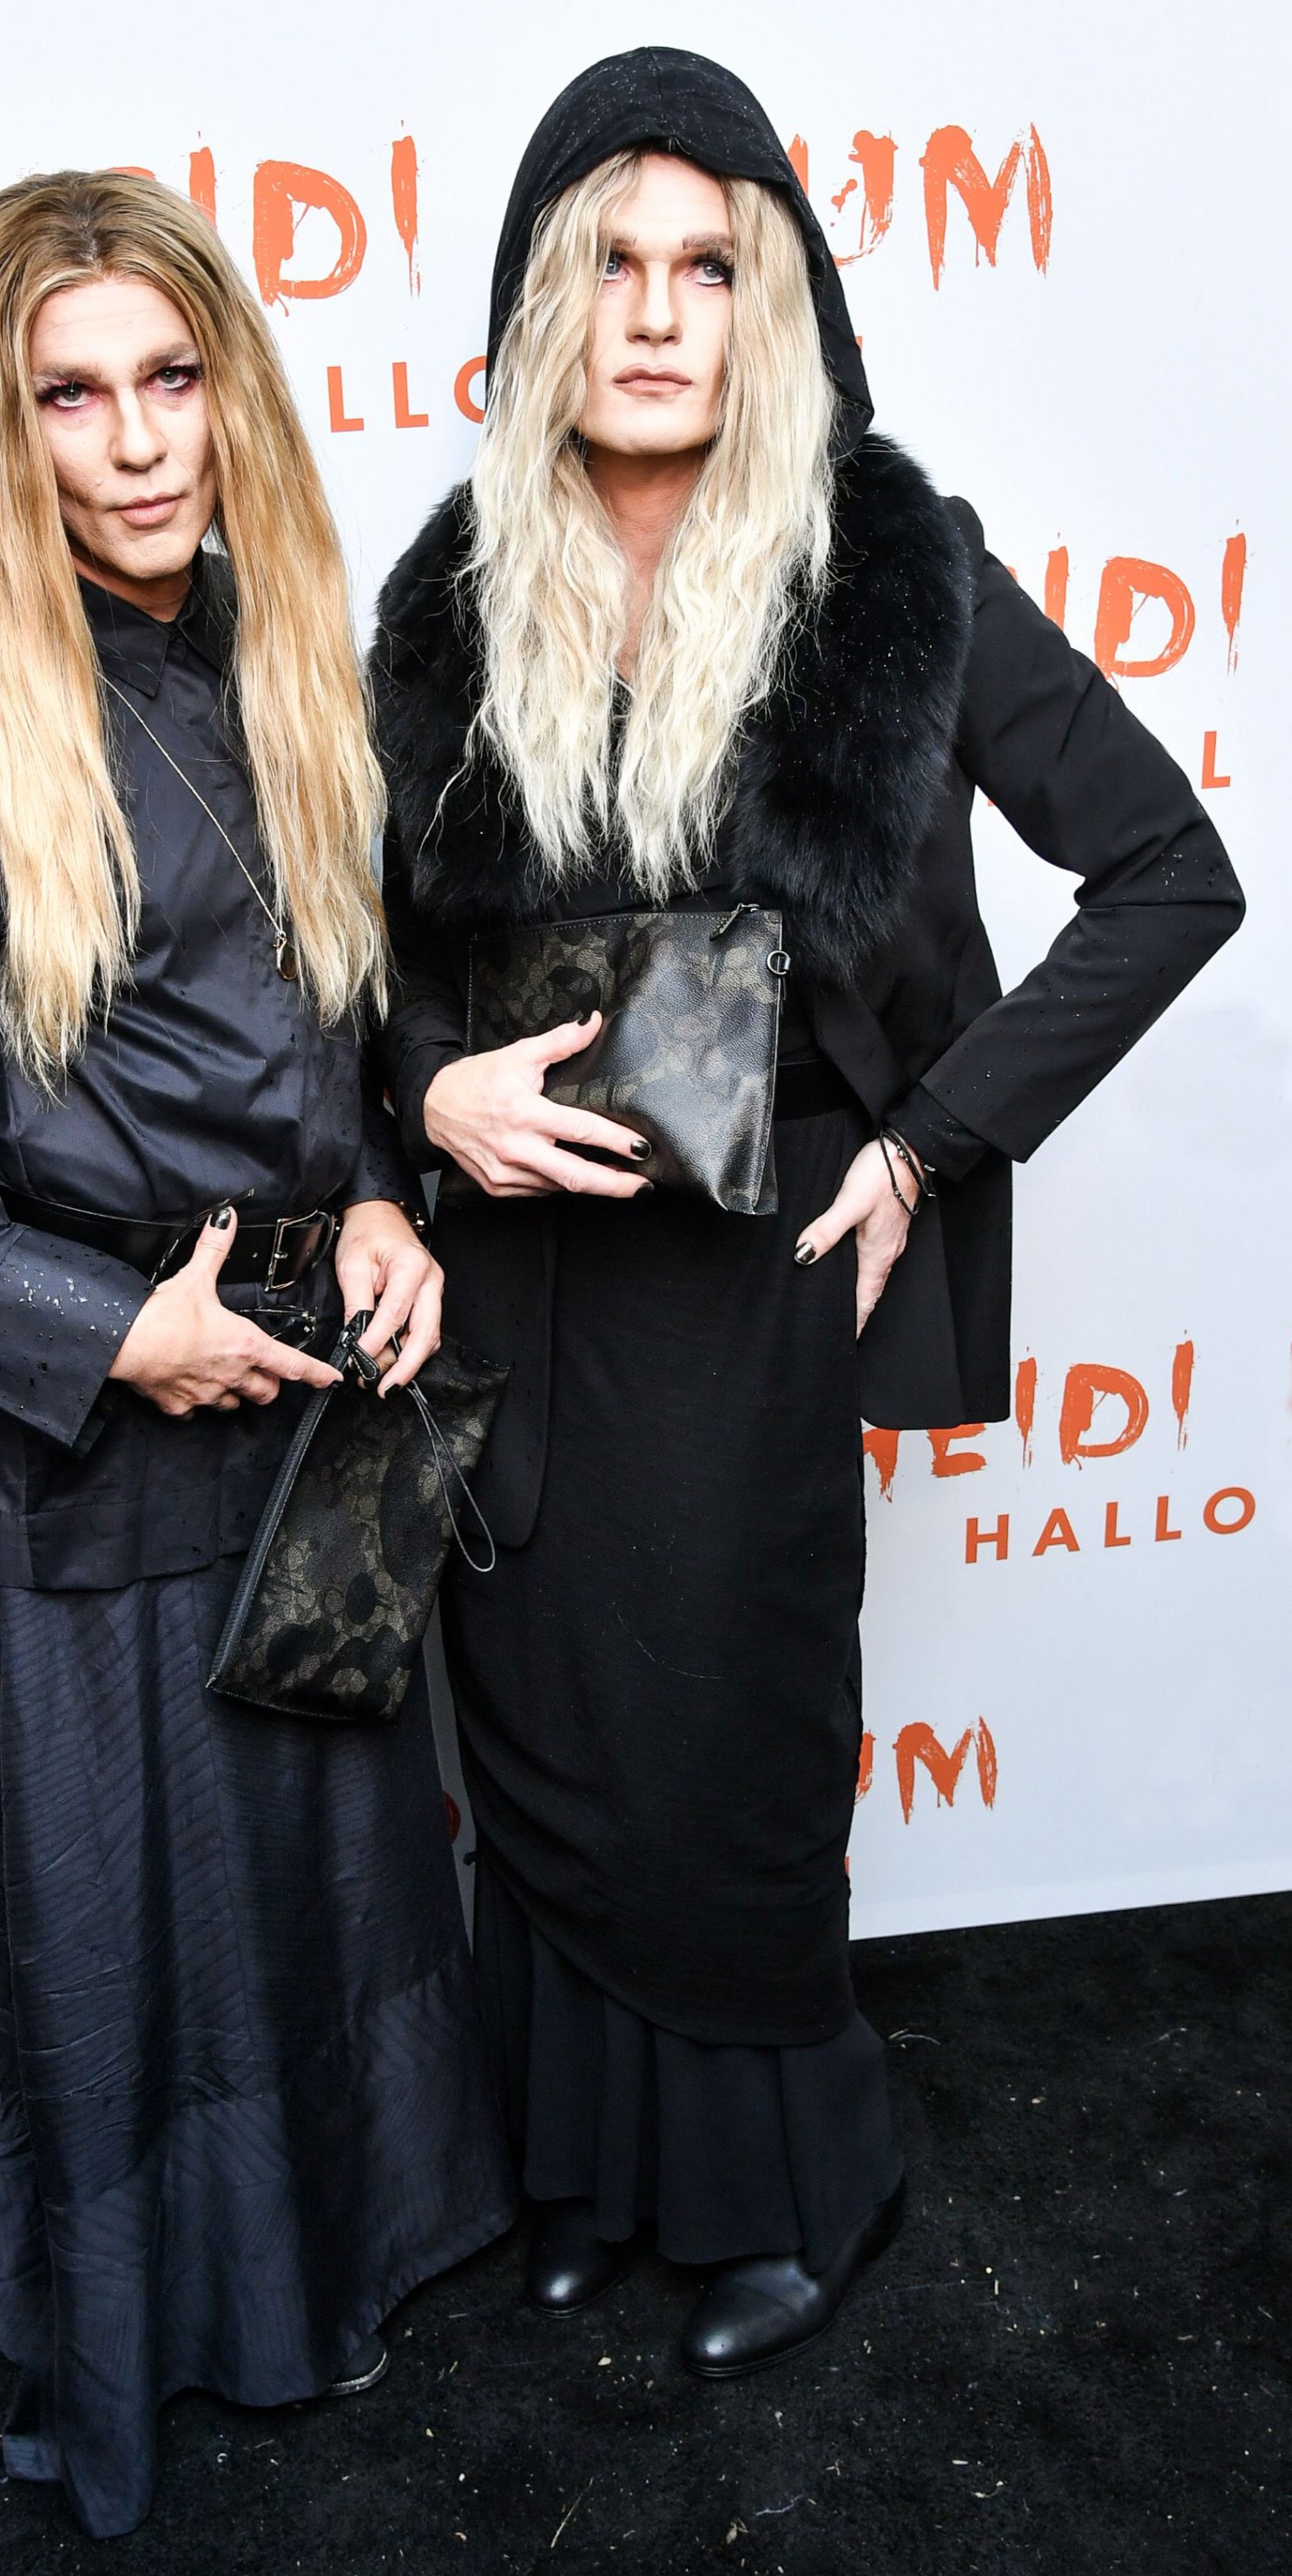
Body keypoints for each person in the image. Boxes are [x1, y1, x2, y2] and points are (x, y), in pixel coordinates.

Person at [370, 49, 1243, 2381]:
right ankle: (589, 2178)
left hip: (750, 1288)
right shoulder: (451, 596)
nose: (660, 314)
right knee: (538, 1738)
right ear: (542, 305)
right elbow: (361, 964)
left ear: (776, 306)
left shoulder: (892, 574)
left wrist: (931, 1137)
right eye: (612, 265)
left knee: (725, 1750)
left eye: (710, 267)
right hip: (510, 1279)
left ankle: (794, 2189)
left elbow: (1171, 872)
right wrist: (431, 1087)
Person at [0, 168, 511, 2539]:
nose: (135, 441)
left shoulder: (289, 654)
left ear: (232, 390)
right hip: (64, 1452)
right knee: (109, 1966)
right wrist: (116, 1334)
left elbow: (338, 1040)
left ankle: (323, 2307)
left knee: (323, 1907)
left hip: (304, 1415)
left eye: (172, 378)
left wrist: (379, 1192)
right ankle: (127, 2376)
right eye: (68, 397)